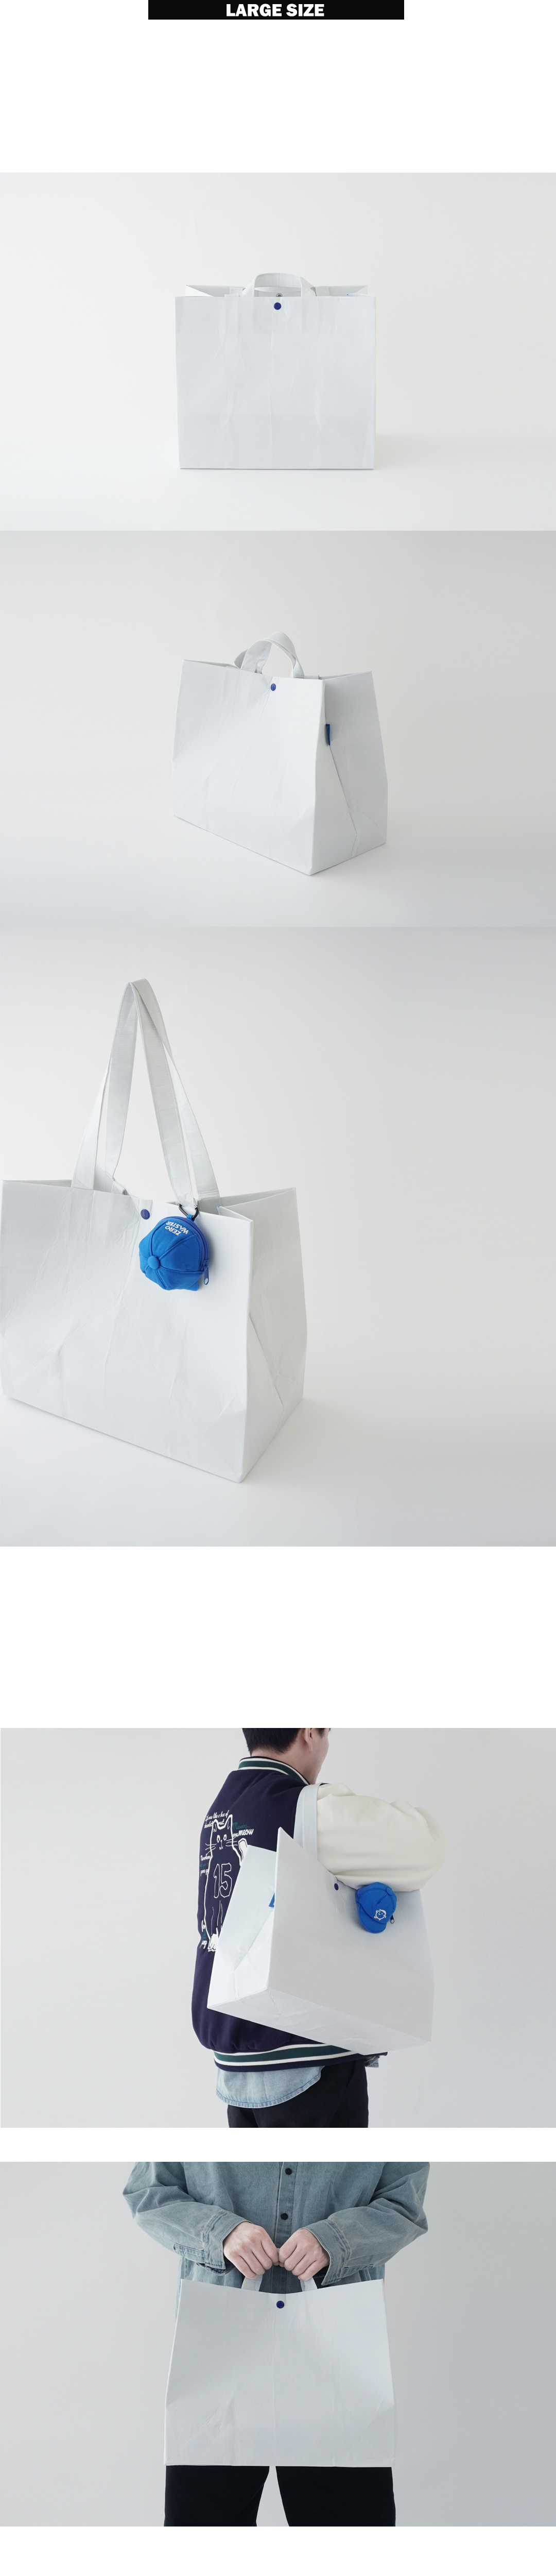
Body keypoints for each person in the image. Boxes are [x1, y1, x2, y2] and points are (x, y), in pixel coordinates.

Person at [124, 2158, 429, 2528]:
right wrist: (219, 2232)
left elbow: (403, 2203)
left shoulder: (381, 2128)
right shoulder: (190, 2123)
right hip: (219, 2356)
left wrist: (337, 2240)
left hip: (335, 2360)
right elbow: (149, 2192)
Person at [192, 1726, 445, 2127]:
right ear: (310, 1732)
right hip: (304, 2064)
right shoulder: (307, 1809)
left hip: (235, 2068)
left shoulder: (221, 1809)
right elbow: (425, 1846)